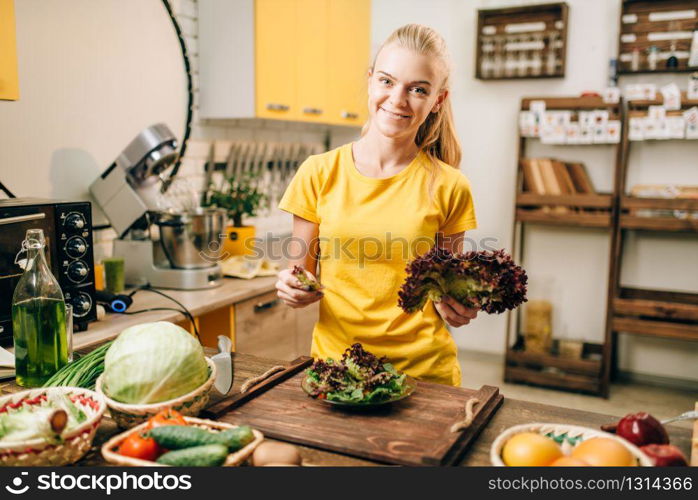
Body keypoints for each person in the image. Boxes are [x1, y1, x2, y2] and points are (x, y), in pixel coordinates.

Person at [275, 24, 478, 386]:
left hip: (423, 375)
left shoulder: (450, 185)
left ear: (438, 101)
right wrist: (292, 287)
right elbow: (301, 274)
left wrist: (459, 304)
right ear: (370, 81)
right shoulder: (318, 172)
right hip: (339, 371)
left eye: (418, 89)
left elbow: (445, 288)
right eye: (387, 81)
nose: (398, 99)